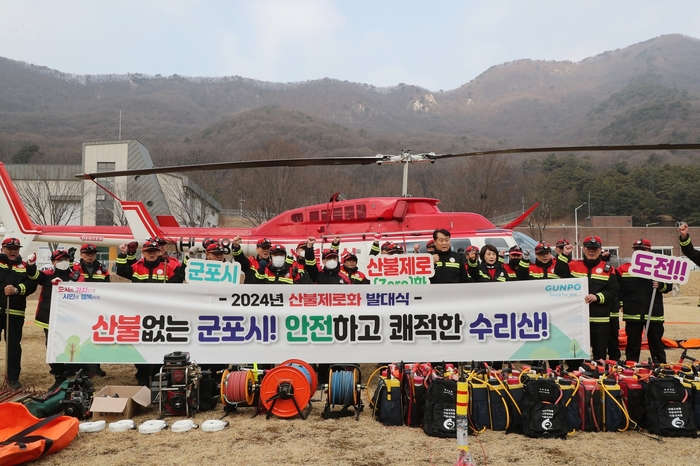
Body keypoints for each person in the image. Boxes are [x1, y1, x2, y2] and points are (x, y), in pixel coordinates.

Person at [116, 238, 185, 386]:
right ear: (144, 252)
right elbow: (121, 270)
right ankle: (142, 377)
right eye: (149, 252)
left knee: (159, 346)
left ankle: (157, 375)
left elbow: (177, 281)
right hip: (140, 314)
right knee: (141, 345)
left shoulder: (167, 267)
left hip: (161, 315)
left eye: (154, 251)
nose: (151, 254)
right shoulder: (137, 266)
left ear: (159, 252)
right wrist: (123, 254)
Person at [29, 249, 84, 389]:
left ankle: (76, 373)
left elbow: (82, 290)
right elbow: (34, 276)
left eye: (65, 259)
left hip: (70, 319)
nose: (63, 262)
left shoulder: (77, 276)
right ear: (53, 262)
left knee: (73, 345)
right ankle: (59, 375)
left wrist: (67, 285)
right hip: (49, 319)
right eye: (59, 260)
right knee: (52, 347)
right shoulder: (47, 275)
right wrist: (30, 264)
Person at [566, 236, 619, 366]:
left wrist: (597, 297)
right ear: (583, 249)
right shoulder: (572, 266)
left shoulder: (608, 269)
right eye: (589, 248)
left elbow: (614, 292)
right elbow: (559, 278)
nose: (592, 251)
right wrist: (564, 256)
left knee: (599, 356)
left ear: (600, 250)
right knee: (574, 354)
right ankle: (574, 376)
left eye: (595, 249)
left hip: (599, 320)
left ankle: (597, 379)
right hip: (577, 320)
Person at [616, 239, 671, 364]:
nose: (639, 252)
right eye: (637, 250)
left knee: (656, 344)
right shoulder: (623, 269)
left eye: (643, 250)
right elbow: (618, 290)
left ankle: (660, 369)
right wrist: (619, 304)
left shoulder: (660, 268)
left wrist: (661, 284)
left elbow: (668, 287)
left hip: (654, 314)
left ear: (649, 251)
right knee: (632, 345)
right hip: (632, 314)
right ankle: (631, 368)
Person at [0, 237, 39, 389]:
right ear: (3, 249)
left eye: (16, 249)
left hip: (15, 313)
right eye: (10, 248)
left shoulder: (24, 266)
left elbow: (32, 284)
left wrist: (17, 289)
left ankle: (13, 379)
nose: (13, 251)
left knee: (13, 347)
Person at [72, 243, 110, 377]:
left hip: (96, 308)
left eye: (92, 253)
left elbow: (108, 288)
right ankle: (80, 367)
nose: (90, 256)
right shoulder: (74, 267)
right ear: (81, 254)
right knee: (81, 338)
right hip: (79, 308)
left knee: (95, 338)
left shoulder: (103, 269)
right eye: (87, 253)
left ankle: (96, 366)